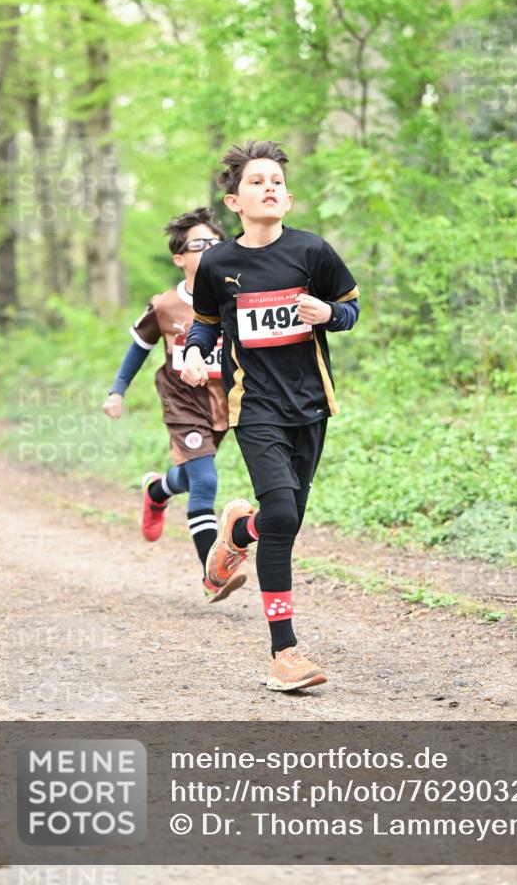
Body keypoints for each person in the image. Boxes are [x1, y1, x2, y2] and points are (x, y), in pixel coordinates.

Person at [181, 140, 360, 691]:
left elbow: (351, 308)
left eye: (277, 181)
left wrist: (328, 312)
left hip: (311, 405)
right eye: (258, 181)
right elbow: (206, 323)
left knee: (285, 521)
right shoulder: (218, 264)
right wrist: (193, 350)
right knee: (282, 513)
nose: (271, 188)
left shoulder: (313, 252)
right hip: (253, 406)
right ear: (235, 201)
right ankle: (285, 652)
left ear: (289, 197)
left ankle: (240, 529)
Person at [102, 208, 243, 602]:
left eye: (217, 243)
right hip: (182, 404)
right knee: (206, 481)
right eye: (200, 245)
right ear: (180, 258)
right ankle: (212, 573)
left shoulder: (237, 297)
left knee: (188, 475)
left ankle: (158, 491)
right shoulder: (166, 305)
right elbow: (139, 350)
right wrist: (117, 391)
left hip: (223, 403)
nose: (211, 249)